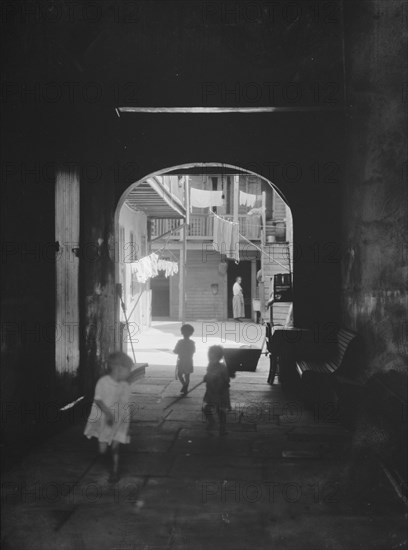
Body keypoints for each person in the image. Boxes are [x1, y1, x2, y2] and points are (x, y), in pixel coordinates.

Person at [84, 352, 133, 483]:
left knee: (116, 447)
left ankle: (115, 472)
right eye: (128, 370)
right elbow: (98, 400)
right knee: (102, 450)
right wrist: (108, 413)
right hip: (103, 420)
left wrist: (127, 424)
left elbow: (126, 405)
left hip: (119, 420)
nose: (129, 373)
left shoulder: (125, 386)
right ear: (118, 369)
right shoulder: (103, 382)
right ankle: (105, 456)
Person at [203, 345, 231, 436]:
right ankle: (212, 422)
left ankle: (222, 428)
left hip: (220, 392)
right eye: (209, 356)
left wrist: (219, 381)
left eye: (212, 356)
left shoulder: (222, 367)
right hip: (211, 391)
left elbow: (226, 380)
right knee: (206, 409)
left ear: (218, 357)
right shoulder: (210, 365)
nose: (210, 358)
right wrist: (206, 377)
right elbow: (208, 375)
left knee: (221, 411)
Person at [173, 324, 196, 395]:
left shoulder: (180, 342)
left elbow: (175, 351)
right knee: (187, 376)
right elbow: (193, 351)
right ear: (191, 333)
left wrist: (179, 351)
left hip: (182, 361)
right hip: (189, 361)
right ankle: (186, 387)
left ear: (182, 332)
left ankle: (184, 385)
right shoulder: (192, 343)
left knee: (179, 374)